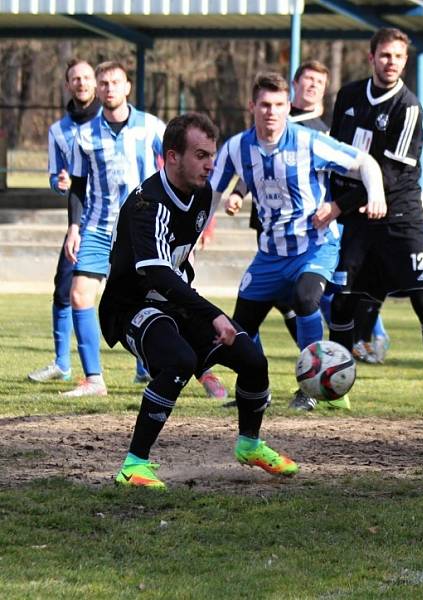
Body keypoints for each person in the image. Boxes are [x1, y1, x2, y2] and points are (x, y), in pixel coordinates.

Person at [100, 112, 297, 488]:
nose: (210, 165)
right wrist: (214, 314)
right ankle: (133, 465)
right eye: (201, 155)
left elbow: (177, 265)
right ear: (171, 157)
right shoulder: (147, 205)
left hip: (174, 302)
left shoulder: (203, 194)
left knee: (252, 359)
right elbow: (157, 272)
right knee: (178, 361)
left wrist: (202, 313)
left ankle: (250, 445)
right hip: (130, 307)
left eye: (212, 155)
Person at [213, 72, 386, 412]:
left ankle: (310, 388)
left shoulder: (308, 141)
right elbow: (212, 191)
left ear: (288, 107)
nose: (271, 112)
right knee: (241, 326)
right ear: (252, 107)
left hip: (315, 245)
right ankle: (254, 389)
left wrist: (376, 193)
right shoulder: (237, 147)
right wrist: (201, 226)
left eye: (279, 105)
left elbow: (365, 163)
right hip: (269, 253)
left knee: (306, 298)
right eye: (264, 104)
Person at [328, 27, 423, 413]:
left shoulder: (408, 106)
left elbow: (388, 173)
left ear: (405, 61)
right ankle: (336, 390)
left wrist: (338, 206)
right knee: (343, 302)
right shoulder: (349, 96)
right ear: (371, 58)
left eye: (398, 57)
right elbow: (336, 152)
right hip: (358, 219)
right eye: (385, 55)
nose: (391, 63)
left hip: (400, 216)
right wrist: (335, 201)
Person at [62, 61, 165, 397]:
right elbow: (78, 185)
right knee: (79, 294)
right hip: (97, 225)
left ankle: (167, 367)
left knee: (154, 298)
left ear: (127, 87)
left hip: (141, 230)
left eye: (115, 82)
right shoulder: (84, 133)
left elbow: (177, 164)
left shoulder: (151, 127)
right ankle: (94, 379)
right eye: (103, 83)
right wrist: (73, 227)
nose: (108, 88)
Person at [27, 58, 99, 383]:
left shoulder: (111, 123)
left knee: (137, 290)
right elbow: (56, 178)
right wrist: (59, 184)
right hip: (81, 221)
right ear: (68, 85)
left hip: (120, 219)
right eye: (75, 78)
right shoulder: (58, 130)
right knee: (64, 289)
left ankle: (145, 367)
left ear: (95, 82)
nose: (81, 83)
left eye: (86, 77)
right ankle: (62, 363)